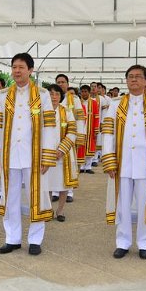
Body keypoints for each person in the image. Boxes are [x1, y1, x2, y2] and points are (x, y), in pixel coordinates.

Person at [0, 53, 58, 255]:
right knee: (9, 197)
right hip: (9, 154)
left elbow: (49, 126)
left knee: (36, 196)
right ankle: (12, 238)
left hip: (34, 155)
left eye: (21, 67)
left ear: (30, 70)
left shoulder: (42, 94)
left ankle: (35, 239)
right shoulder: (3, 95)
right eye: (14, 67)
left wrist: (47, 155)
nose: (17, 71)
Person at [101, 65, 146, 260]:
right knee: (123, 205)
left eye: (138, 77)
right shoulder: (116, 104)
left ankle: (144, 243)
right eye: (130, 76)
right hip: (122, 163)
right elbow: (108, 132)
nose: (134, 80)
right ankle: (122, 242)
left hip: (145, 164)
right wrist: (109, 159)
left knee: (144, 205)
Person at [45, 84, 79, 221]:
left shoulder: (67, 112)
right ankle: (48, 209)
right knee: (46, 183)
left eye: (57, 94)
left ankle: (60, 210)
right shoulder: (40, 110)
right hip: (45, 154)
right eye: (51, 93)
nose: (54, 97)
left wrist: (61, 149)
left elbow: (72, 131)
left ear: (61, 96)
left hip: (63, 154)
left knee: (63, 184)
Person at [54, 74, 85, 202]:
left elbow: (80, 118)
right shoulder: (51, 97)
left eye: (63, 82)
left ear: (67, 84)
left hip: (69, 136)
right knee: (55, 165)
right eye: (58, 82)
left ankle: (69, 192)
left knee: (70, 165)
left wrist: (79, 136)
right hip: (54, 137)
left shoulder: (74, 99)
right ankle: (55, 191)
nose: (61, 84)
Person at [78, 84, 100, 173]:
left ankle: (88, 167)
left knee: (90, 147)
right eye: (82, 91)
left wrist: (96, 129)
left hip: (90, 128)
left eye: (85, 91)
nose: (84, 93)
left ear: (89, 92)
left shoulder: (94, 103)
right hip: (80, 128)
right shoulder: (78, 102)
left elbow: (96, 116)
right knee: (81, 147)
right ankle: (81, 166)